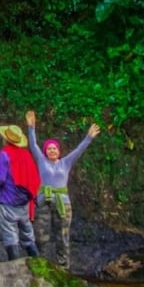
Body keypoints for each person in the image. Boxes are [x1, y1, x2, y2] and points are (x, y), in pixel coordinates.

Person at [25, 110, 100, 270]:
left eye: (55, 149)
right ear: (45, 152)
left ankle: (63, 267)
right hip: (44, 201)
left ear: (59, 152)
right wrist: (31, 128)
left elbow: (79, 150)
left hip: (62, 204)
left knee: (62, 236)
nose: (52, 150)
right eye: (49, 148)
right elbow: (33, 145)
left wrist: (89, 137)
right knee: (42, 236)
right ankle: (42, 266)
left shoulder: (66, 162)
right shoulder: (41, 161)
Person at [0, 124, 41, 260]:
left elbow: (0, 178)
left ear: (5, 139)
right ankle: (37, 262)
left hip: (8, 199)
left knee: (10, 234)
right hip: (24, 200)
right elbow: (34, 176)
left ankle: (15, 266)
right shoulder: (26, 154)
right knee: (27, 234)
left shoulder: (4, 154)